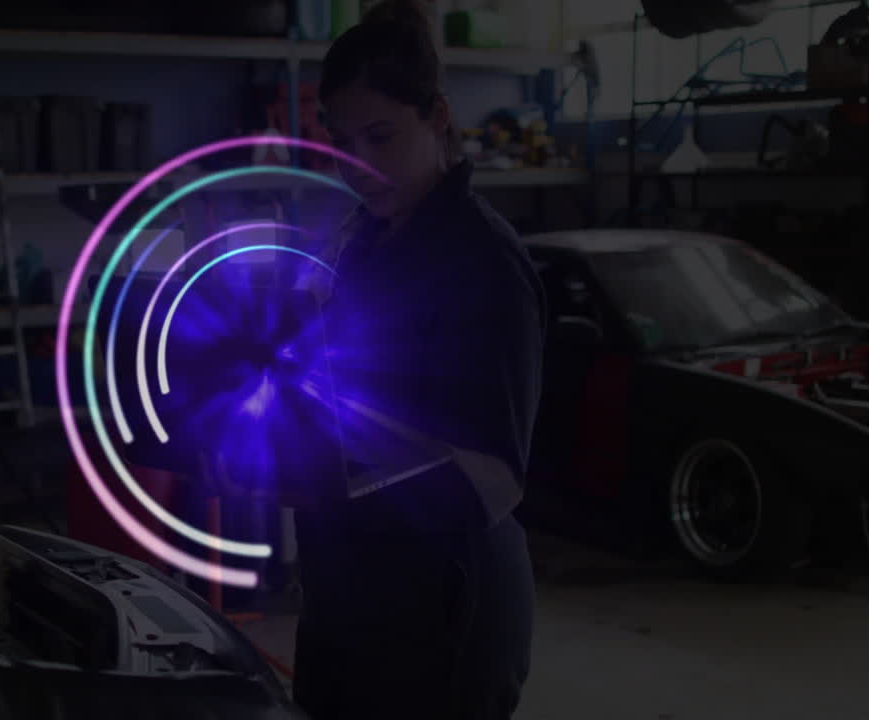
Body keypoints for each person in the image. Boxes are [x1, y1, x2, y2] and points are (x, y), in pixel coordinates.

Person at [291, 1, 547, 718]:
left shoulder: (481, 262)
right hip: (352, 595)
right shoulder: (366, 240)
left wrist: (336, 420)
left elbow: (495, 486)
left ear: (436, 116)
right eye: (341, 143)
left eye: (381, 136)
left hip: (445, 609)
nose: (359, 167)